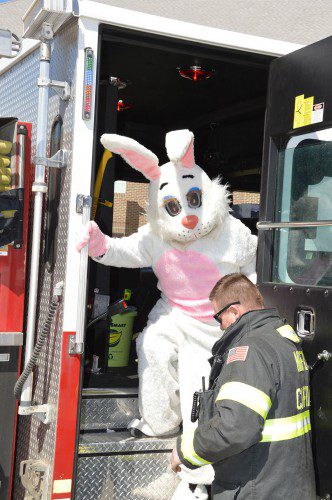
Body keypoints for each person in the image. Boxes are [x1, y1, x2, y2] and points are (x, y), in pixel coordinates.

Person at [171, 273, 316, 499]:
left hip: (257, 488)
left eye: (219, 318)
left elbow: (234, 428)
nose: (220, 327)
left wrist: (185, 450)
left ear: (234, 311)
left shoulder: (250, 351)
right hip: (287, 485)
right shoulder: (282, 339)